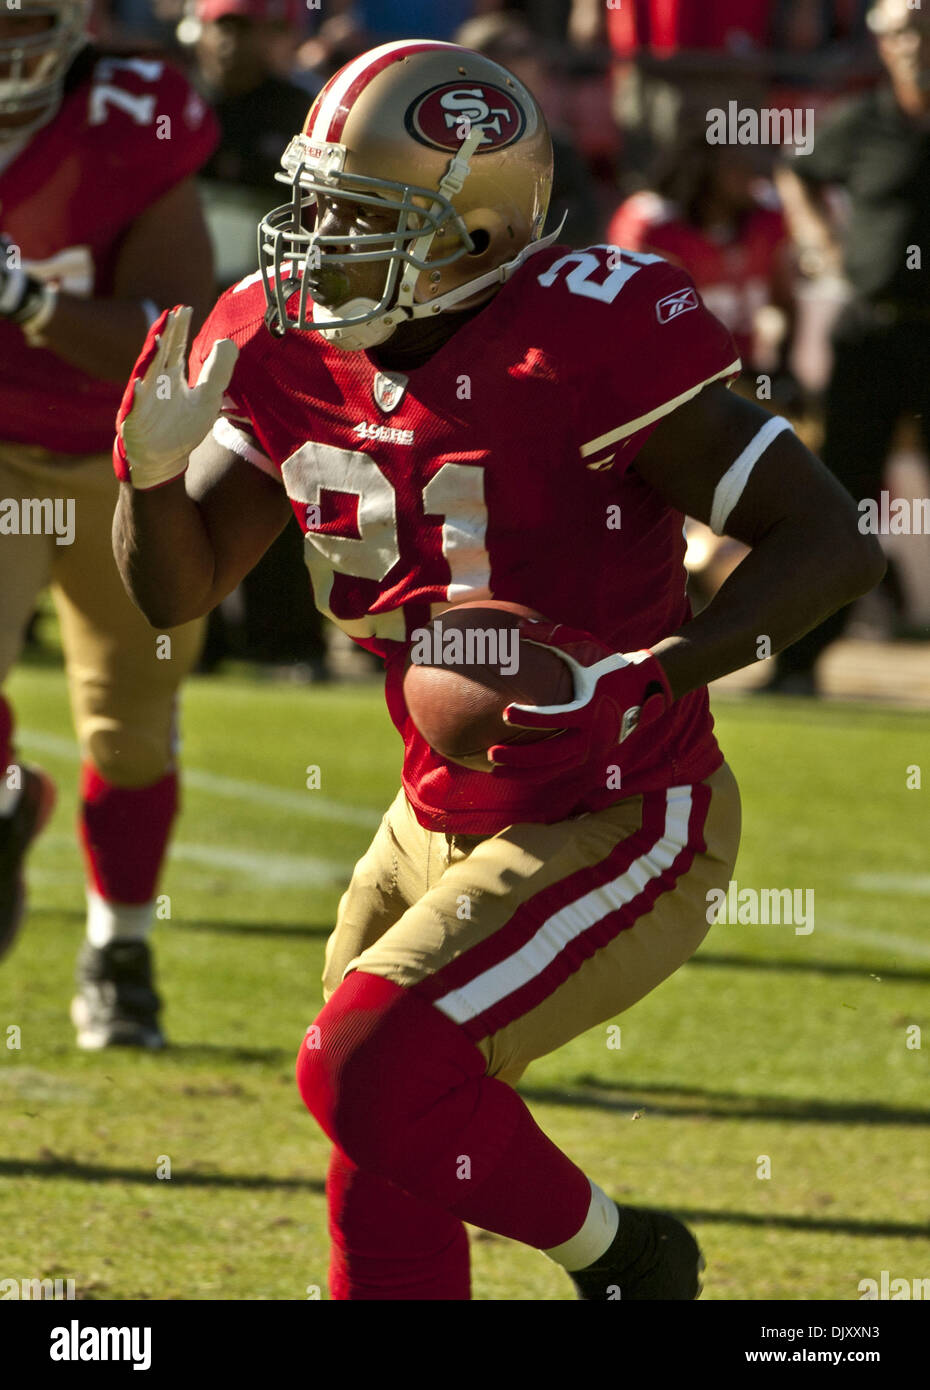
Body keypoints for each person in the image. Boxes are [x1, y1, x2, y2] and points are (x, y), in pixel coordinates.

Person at [111, 40, 883, 1300]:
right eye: (311, 206)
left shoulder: (591, 331)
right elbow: (178, 590)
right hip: (433, 804)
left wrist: (658, 670)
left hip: (622, 807)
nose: (311, 245)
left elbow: (831, 540)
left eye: (361, 220)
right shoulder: (284, 339)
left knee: (366, 1066)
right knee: (380, 1125)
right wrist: (144, 478)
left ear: (473, 235)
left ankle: (629, 1260)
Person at [0, 0, 218, 1051]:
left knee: (129, 726)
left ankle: (119, 947)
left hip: (116, 450)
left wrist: (27, 300)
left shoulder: (136, 113)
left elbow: (174, 329)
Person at [763, 0, 930, 693]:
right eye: (900, 31)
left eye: (922, 28)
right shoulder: (861, 124)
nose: (914, 43)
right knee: (842, 496)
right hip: (872, 332)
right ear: (882, 44)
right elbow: (794, 170)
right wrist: (818, 243)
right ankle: (801, 662)